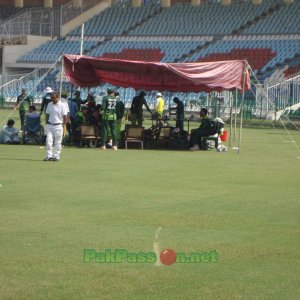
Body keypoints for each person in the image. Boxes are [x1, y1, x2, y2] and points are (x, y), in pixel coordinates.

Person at [44, 91, 68, 161]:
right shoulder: (49, 104)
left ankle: (56, 156)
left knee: (58, 142)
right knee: (48, 141)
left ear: (58, 97)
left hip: (58, 125)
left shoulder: (62, 105)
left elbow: (65, 116)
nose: (52, 99)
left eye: (54, 98)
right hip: (49, 125)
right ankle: (49, 156)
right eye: (51, 98)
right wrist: (47, 123)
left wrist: (64, 125)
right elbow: (47, 114)